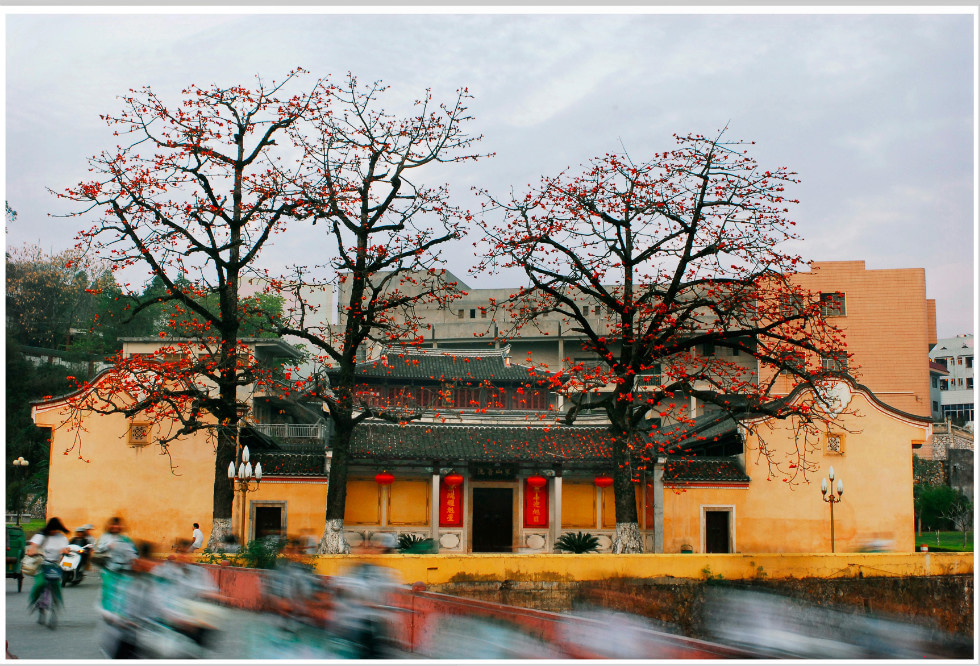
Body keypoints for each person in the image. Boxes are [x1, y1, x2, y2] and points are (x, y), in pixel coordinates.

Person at [26, 517, 71, 612]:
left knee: (56, 585)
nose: (54, 531)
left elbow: (65, 548)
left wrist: (66, 550)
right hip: (42, 564)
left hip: (55, 565)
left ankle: (58, 603)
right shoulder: (41, 536)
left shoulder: (61, 537)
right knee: (40, 583)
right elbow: (33, 546)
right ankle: (33, 601)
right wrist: (32, 551)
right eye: (52, 529)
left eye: (56, 529)